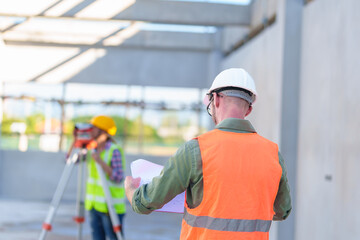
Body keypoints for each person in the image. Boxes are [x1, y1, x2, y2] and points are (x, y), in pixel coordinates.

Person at [125, 68, 292, 239]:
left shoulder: (196, 150)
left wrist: (131, 190)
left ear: (217, 99)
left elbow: (145, 203)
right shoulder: (272, 154)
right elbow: (282, 210)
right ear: (248, 109)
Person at [84, 115, 126, 240]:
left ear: (102, 130)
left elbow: (118, 177)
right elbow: (71, 161)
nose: (90, 130)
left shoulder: (114, 150)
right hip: (93, 205)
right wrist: (77, 143)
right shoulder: (91, 149)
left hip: (110, 207)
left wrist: (100, 162)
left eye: (93, 127)